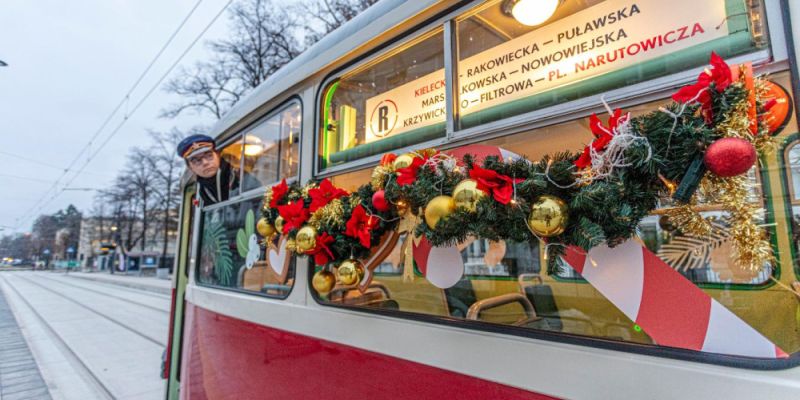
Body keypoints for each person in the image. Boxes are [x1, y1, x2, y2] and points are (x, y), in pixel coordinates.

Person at [177, 134, 240, 205]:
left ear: (218, 156)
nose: (205, 163)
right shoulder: (203, 191)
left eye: (209, 156)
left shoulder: (238, 176)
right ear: (191, 168)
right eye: (197, 160)